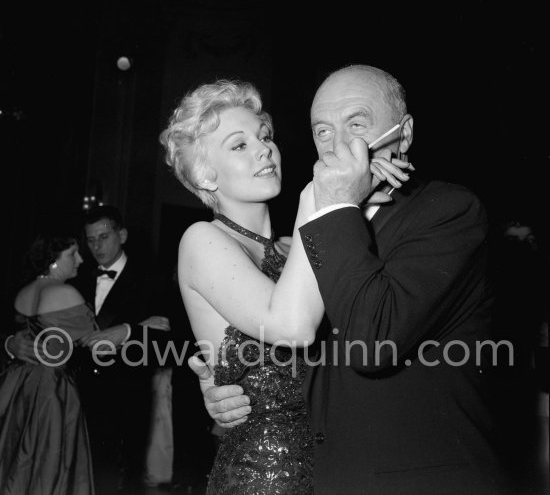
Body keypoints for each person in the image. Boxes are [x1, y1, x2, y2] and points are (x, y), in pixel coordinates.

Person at [190, 65, 511, 494]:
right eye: (322, 131)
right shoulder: (316, 232)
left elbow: (373, 341)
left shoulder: (447, 211)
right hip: (314, 474)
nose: (338, 144)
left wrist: (333, 206)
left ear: (405, 133)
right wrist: (223, 379)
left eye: (357, 124)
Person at [159, 79, 409, 494]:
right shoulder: (201, 239)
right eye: (239, 145)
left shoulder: (293, 248)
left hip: (333, 467)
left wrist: (365, 194)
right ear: (204, 175)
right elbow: (292, 327)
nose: (265, 149)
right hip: (262, 474)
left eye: (265, 136)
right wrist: (321, 193)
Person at [72, 205, 169, 491]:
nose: (97, 246)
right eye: (90, 240)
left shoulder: (151, 281)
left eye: (103, 237)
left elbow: (170, 338)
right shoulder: (77, 280)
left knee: (124, 479)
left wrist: (129, 331)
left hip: (127, 394)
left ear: (122, 235)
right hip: (80, 392)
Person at [0, 232, 96, 494]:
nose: (79, 260)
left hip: (17, 381)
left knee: (18, 455)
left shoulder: (24, 291)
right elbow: (98, 340)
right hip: (50, 387)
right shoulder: (64, 292)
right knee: (49, 461)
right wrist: (140, 328)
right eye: (72, 254)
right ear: (53, 260)